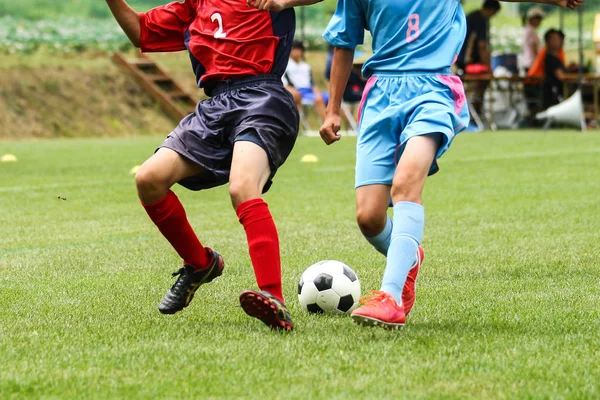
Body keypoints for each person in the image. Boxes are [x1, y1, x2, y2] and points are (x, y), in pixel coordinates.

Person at [252, 0, 584, 329]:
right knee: (369, 217)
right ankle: (409, 257)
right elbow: (343, 43)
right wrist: (334, 110)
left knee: (406, 183)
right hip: (380, 96)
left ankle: (391, 297)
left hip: (433, 90)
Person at [106, 0, 319, 332]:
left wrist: (283, 2)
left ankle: (273, 298)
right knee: (149, 179)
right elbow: (140, 32)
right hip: (215, 106)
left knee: (242, 187)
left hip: (262, 99)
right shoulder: (195, 5)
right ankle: (199, 263)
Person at [457, 0, 501, 117]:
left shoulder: (470, 17)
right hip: (470, 62)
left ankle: (473, 110)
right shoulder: (481, 20)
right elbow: (482, 46)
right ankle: (475, 112)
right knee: (482, 82)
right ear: (492, 10)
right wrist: (488, 66)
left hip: (458, 58)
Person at [283, 40, 329, 121]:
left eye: (299, 50)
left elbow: (313, 83)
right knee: (318, 99)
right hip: (298, 92)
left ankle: (349, 126)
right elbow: (285, 83)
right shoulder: (286, 66)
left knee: (332, 98)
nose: (297, 52)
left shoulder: (306, 66)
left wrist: (317, 93)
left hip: (309, 91)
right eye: (294, 49)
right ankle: (327, 125)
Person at [542, 29, 567, 109]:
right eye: (555, 39)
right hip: (552, 92)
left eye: (559, 39)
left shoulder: (556, 56)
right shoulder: (549, 57)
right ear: (548, 41)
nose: (559, 41)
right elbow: (560, 76)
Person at [521, 7, 546, 73]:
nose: (540, 22)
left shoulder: (527, 29)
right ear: (532, 19)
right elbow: (534, 48)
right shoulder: (531, 31)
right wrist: (538, 62)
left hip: (527, 61)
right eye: (538, 19)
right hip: (532, 62)